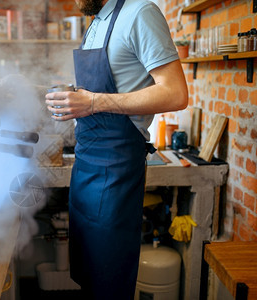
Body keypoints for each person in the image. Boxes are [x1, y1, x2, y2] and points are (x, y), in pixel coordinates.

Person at [45, 0, 188, 298]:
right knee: (89, 274)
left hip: (116, 167)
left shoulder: (140, 13)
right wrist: (73, 97)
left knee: (109, 279)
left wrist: (94, 102)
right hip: (85, 165)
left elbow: (175, 93)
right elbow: (106, 87)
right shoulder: (95, 22)